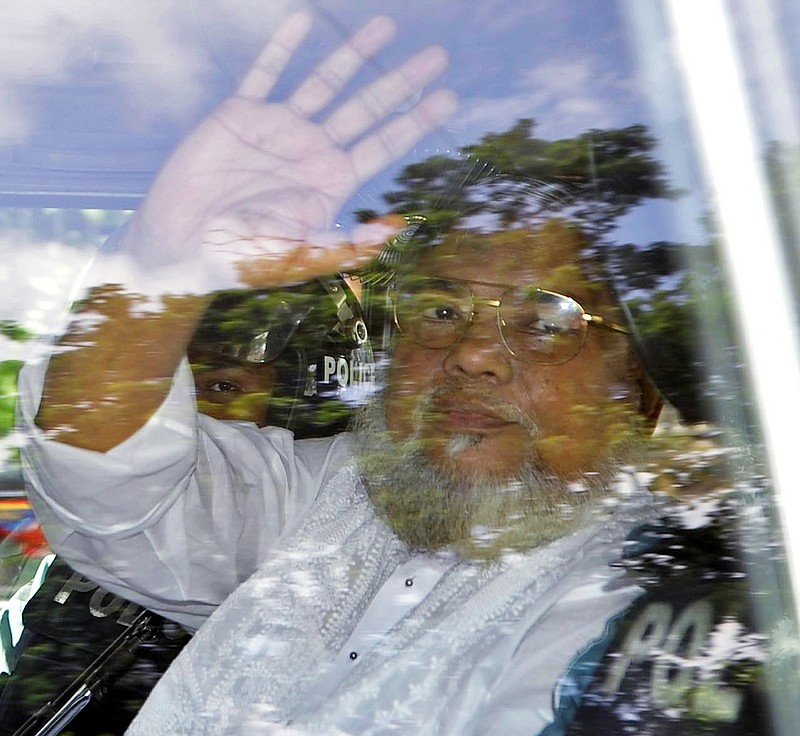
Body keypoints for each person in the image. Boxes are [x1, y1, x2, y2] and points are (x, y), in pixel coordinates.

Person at [17, 11, 760, 735]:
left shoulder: (651, 605)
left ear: (642, 385)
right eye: (440, 309)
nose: (472, 353)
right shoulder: (335, 491)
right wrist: (162, 264)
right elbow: (107, 484)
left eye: (545, 322)